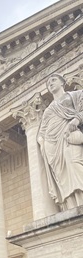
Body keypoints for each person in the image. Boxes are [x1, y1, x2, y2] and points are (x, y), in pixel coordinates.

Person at [38, 73, 83, 210]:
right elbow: (42, 132)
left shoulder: (76, 95)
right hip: (52, 145)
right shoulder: (48, 110)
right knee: (61, 177)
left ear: (62, 82)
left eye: (53, 80)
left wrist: (76, 119)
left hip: (69, 137)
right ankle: (71, 206)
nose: (50, 83)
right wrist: (42, 143)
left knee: (74, 163)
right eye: (48, 83)